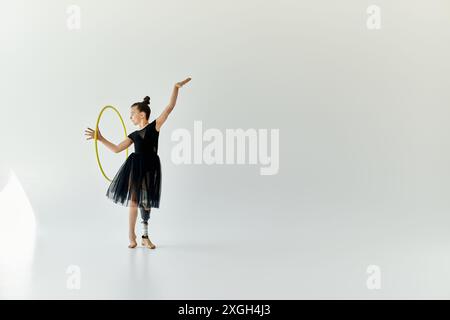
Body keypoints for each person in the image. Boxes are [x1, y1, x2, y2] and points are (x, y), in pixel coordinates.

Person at [85, 77, 192, 248]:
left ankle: (145, 236)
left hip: (150, 166)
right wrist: (101, 138)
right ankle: (131, 235)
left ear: (142, 114)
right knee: (134, 201)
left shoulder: (154, 126)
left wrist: (176, 88)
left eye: (132, 114)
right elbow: (117, 148)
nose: (130, 118)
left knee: (146, 202)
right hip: (135, 167)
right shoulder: (133, 135)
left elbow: (169, 108)